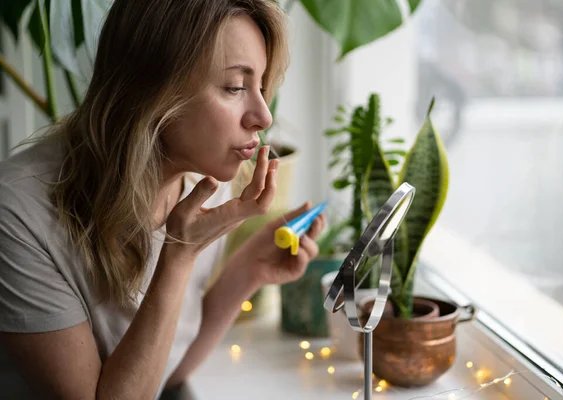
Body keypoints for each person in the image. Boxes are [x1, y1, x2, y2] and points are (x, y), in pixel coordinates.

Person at [0, 0, 325, 398]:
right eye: (236, 87)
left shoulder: (207, 176)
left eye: (260, 86)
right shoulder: (17, 213)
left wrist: (249, 270)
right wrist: (180, 253)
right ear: (153, 89)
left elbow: (163, 375)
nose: (263, 115)